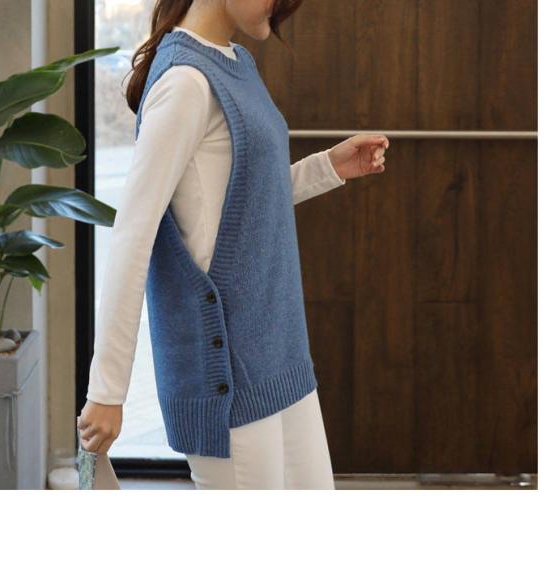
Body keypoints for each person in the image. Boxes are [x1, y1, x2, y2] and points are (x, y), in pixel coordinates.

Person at [77, 0, 389, 490]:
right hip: (228, 376)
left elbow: (245, 198)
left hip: (280, 354)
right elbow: (132, 239)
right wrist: (107, 391)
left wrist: (328, 166)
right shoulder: (184, 84)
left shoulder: (235, 62)